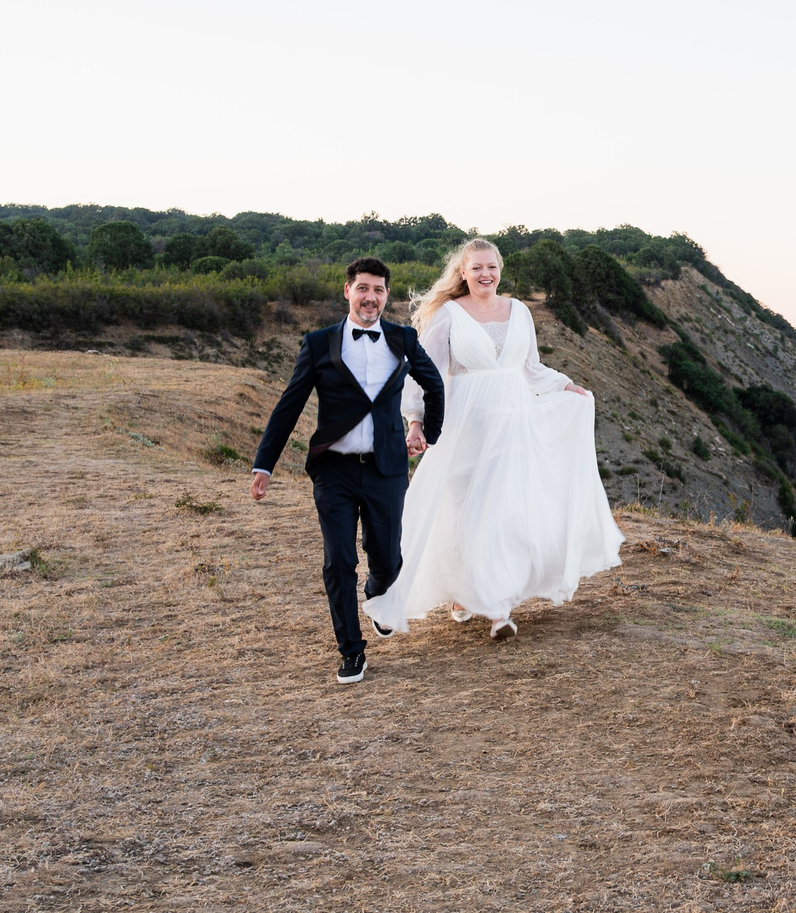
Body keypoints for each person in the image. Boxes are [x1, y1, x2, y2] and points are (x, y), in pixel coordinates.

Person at [365, 237, 623, 642]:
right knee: (461, 512)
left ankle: (498, 608)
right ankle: (461, 592)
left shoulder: (519, 311)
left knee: (503, 512)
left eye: (492, 267)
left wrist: (567, 386)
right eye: (477, 268)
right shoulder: (448, 315)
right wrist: (415, 420)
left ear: (500, 270)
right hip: (464, 427)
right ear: (463, 273)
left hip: (513, 425)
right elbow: (424, 372)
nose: (485, 274)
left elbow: (531, 367)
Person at [250, 258, 446, 685]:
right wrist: (264, 464)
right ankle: (352, 651)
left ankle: (377, 593)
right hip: (334, 470)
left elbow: (434, 384)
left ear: (386, 296)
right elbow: (290, 405)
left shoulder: (403, 338)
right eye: (362, 288)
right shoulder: (320, 343)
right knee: (338, 561)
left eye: (378, 290)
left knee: (387, 560)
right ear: (347, 291)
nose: (370, 297)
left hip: (386, 468)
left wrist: (427, 433)